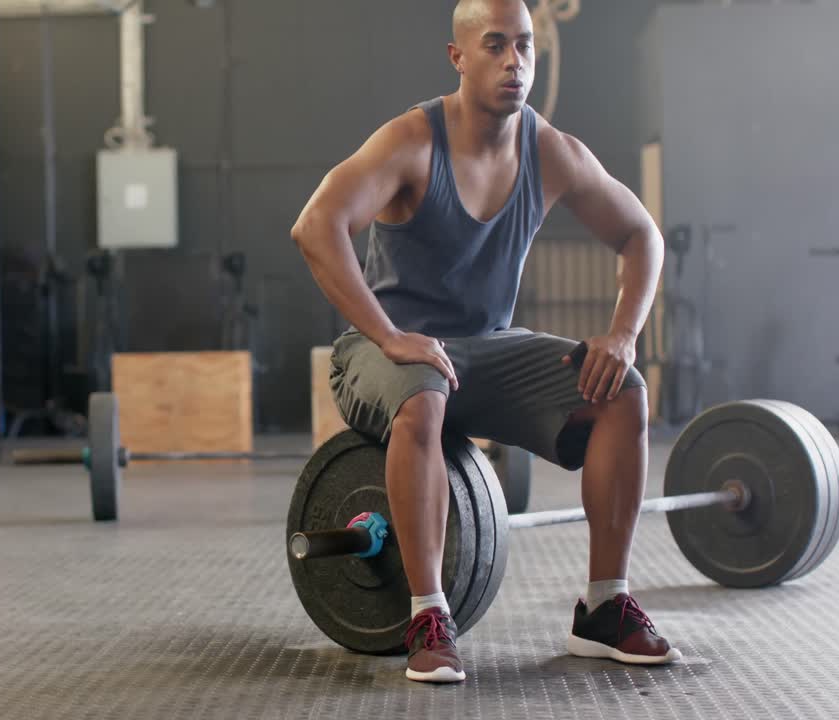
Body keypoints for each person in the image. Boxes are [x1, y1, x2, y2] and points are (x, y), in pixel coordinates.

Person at [290, 0, 678, 684]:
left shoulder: (551, 151)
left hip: (487, 353)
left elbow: (642, 235)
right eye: (495, 45)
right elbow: (317, 225)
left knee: (623, 391)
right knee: (423, 386)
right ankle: (426, 615)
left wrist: (622, 335)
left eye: (524, 46)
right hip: (381, 355)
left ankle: (604, 606)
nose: (515, 62)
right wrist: (389, 334)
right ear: (458, 56)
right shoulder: (411, 141)